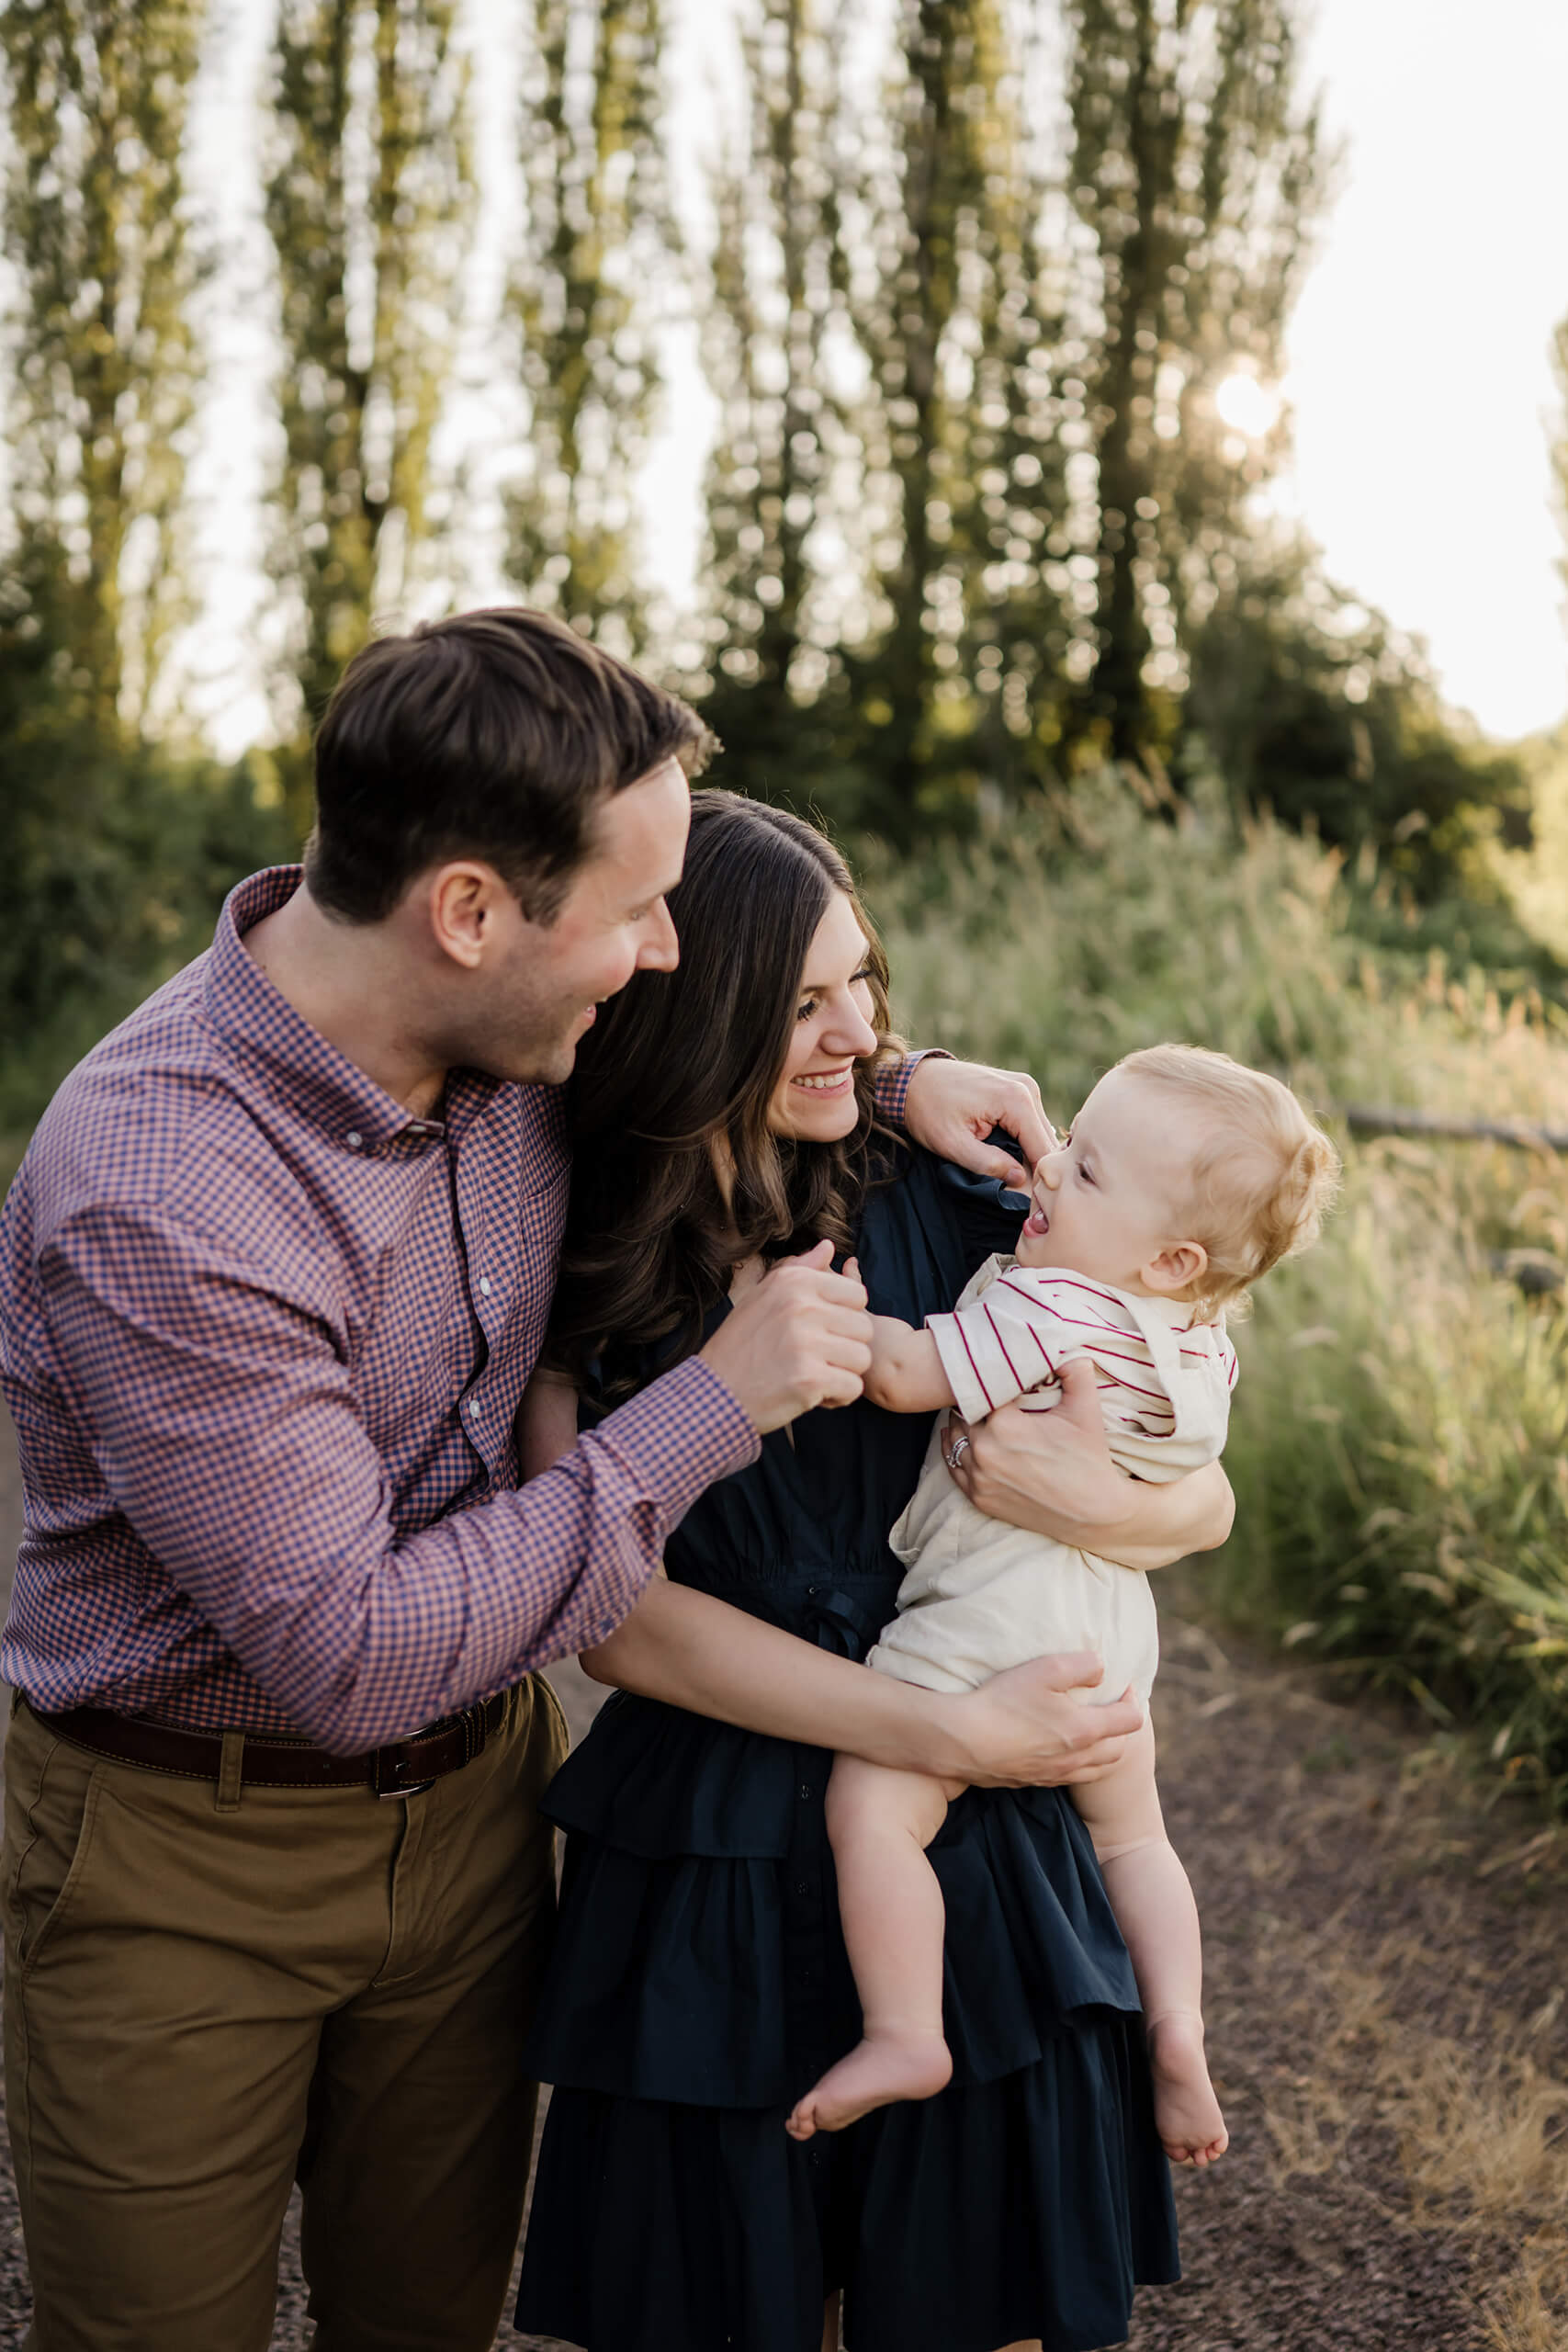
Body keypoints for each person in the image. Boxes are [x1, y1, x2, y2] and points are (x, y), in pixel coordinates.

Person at [0, 609, 1096, 2352]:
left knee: (427, 2321)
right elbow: (349, 1654)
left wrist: (882, 1069)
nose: (663, 954)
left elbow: (724, 1032)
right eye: (635, 908)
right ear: (468, 911)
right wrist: (714, 1406)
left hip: (482, 1821)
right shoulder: (165, 1190)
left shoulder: (532, 1041)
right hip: (178, 1853)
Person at [513, 794, 1237, 2352]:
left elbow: (1203, 1490)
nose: (856, 1033)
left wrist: (1094, 1505)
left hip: (982, 1829)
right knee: (710, 2299)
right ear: (692, 1005)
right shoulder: (581, 1248)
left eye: (868, 987)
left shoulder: (965, 1202)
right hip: (716, 1829)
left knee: (968, 2294)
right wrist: (939, 1739)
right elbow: (616, 1629)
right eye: (800, 1003)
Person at [785, 1044, 1340, 2167]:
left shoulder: (1057, 1309)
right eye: (1070, 1146)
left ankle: (905, 2030)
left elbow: (904, 1376)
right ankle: (1178, 2027)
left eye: (1087, 1176)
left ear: (1174, 1254)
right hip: (1109, 1640)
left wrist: (825, 1311)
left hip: (992, 1617)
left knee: (876, 1809)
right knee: (1136, 1839)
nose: (1048, 1176)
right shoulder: (1198, 1345)